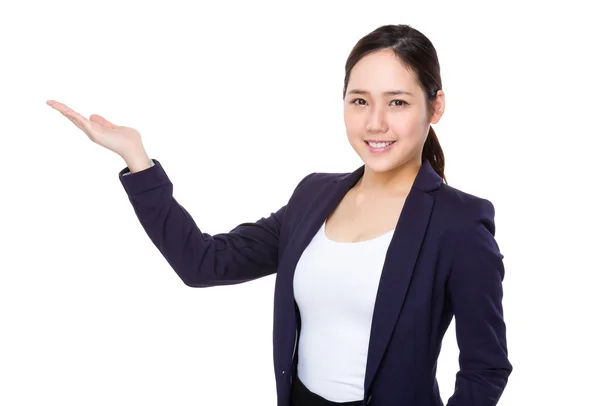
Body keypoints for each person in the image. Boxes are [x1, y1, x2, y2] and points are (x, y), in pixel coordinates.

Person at [47, 23, 512, 406]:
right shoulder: (314, 195)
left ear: (436, 106)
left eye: (397, 102)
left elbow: (485, 367)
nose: (375, 123)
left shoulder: (459, 224)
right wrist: (137, 159)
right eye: (359, 100)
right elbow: (202, 263)